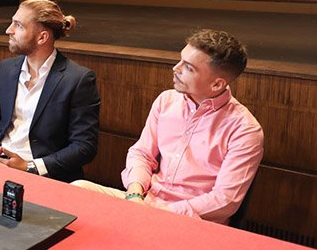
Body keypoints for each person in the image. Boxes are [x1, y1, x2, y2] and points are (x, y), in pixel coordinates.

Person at [72, 29, 264, 224]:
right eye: (180, 60)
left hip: (192, 220)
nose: (175, 68)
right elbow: (142, 154)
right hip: (146, 201)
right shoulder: (166, 100)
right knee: (77, 189)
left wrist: (162, 212)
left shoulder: (245, 129)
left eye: (188, 67)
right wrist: (135, 194)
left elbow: (225, 199)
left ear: (216, 85)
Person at [0, 0, 101, 183]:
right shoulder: (6, 69)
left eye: (18, 25)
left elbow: (84, 147)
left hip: (44, 176)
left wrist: (30, 167)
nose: (8, 30)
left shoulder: (78, 79)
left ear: (42, 37)